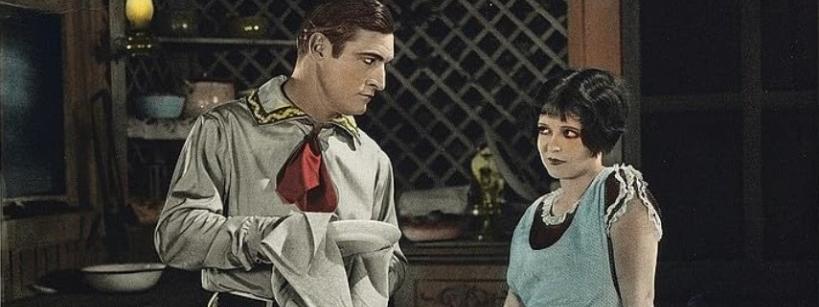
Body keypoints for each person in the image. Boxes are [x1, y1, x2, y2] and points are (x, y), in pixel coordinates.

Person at [153, 1, 406, 306]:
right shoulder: (226, 129)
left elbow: (394, 260)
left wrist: (364, 281)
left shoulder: (371, 158)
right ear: (319, 46)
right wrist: (277, 237)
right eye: (368, 60)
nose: (380, 81)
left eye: (384, 64)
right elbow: (176, 236)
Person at [504, 68, 663, 306]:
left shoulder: (618, 195)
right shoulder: (534, 213)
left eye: (569, 133)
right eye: (544, 130)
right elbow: (515, 297)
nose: (551, 146)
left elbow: (640, 302)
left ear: (600, 135)